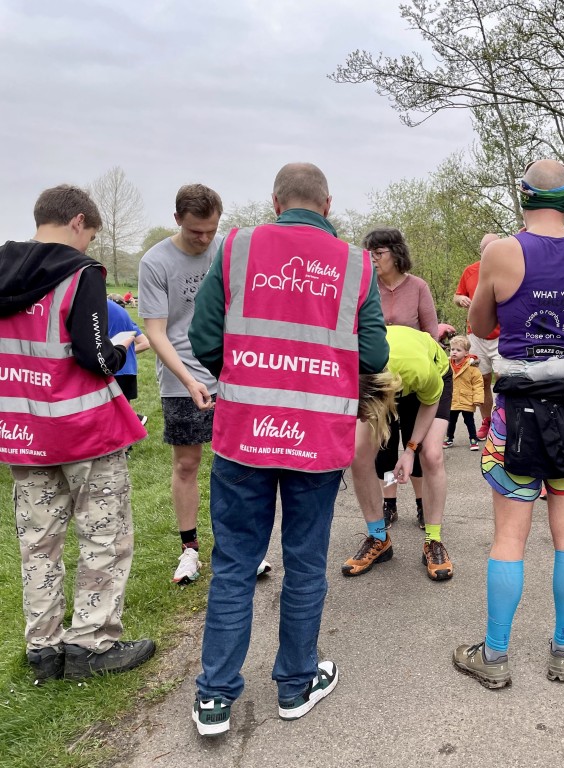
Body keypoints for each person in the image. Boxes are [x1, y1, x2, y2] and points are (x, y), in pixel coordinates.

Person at [187, 162, 390, 735]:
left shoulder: (235, 247)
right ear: (327, 205)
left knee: (234, 564)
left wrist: (249, 376)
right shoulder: (355, 264)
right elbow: (372, 356)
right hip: (317, 437)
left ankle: (214, 698)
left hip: (244, 432)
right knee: (304, 563)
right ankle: (296, 685)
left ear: (276, 203)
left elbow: (203, 338)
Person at [452, 159, 564, 688]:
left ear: (523, 197)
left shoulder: (502, 251)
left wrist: (530, 336)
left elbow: (480, 325)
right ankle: (561, 649)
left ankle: (496, 654)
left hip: (519, 412)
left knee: (510, 536)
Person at [1, 185, 153, 683]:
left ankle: (42, 647)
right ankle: (91, 643)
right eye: (88, 234)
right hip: (83, 431)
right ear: (78, 222)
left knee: (38, 543)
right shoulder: (80, 272)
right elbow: (93, 356)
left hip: (24, 431)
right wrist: (122, 344)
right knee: (103, 537)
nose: (86, 244)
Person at [139, 184, 235, 584]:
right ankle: (189, 550)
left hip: (230, 372)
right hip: (181, 374)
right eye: (196, 231)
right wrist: (189, 378)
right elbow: (157, 332)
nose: (204, 239)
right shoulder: (155, 262)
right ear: (177, 219)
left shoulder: (226, 251)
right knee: (187, 463)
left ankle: (237, 547)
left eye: (211, 230)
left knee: (237, 464)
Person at [344, 324, 455, 579]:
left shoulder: (417, 369)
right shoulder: (346, 362)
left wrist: (410, 450)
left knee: (431, 455)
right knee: (359, 455)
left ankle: (433, 540)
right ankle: (378, 538)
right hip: (378, 379)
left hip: (431, 379)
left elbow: (430, 401)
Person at [367, 226, 438, 528]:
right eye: (369, 253)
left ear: (395, 254)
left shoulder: (418, 286)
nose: (372, 259)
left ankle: (422, 506)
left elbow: (431, 334)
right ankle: (389, 503)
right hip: (379, 381)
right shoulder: (367, 288)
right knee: (383, 445)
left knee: (414, 442)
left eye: (378, 253)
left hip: (412, 380)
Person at [455, 233, 501, 439]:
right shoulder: (470, 271)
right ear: (481, 252)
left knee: (506, 379)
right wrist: (461, 299)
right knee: (481, 380)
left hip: (503, 334)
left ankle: (504, 420)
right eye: (486, 251)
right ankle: (486, 421)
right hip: (476, 334)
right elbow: (457, 296)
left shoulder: (510, 270)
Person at [107, 297, 151, 427]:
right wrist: (125, 352)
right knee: (123, 408)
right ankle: (136, 423)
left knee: (117, 411)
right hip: (128, 368)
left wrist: (118, 353)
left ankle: (137, 421)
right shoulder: (126, 318)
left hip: (114, 368)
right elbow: (145, 343)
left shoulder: (98, 309)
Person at [443, 334, 484, 449]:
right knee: (451, 421)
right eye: (452, 349)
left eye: (458, 350)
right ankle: (449, 438)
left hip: (467, 399)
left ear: (466, 353)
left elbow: (478, 384)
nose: (454, 352)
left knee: (469, 421)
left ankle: (473, 438)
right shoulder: (446, 365)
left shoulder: (472, 368)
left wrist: (478, 399)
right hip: (452, 399)